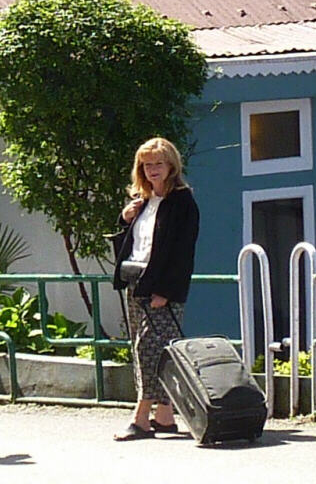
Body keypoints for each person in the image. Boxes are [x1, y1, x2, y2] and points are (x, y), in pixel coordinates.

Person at [110, 136, 199, 441]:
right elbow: (134, 241)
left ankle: (141, 417)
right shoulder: (144, 200)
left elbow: (182, 251)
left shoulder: (182, 201)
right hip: (135, 279)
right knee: (145, 347)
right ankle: (164, 415)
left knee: (150, 347)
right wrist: (125, 218)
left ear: (171, 165)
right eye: (147, 165)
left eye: (158, 164)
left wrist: (167, 291)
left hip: (161, 286)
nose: (152, 170)